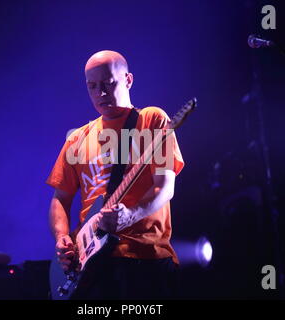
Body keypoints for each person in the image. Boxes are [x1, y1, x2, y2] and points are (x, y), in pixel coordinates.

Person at [46, 50, 184, 299]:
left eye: (109, 84)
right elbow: (60, 198)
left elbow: (165, 187)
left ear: (128, 80)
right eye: (92, 86)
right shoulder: (77, 138)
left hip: (145, 259)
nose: (100, 93)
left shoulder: (151, 119)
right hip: (90, 266)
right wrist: (63, 237)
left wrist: (129, 216)